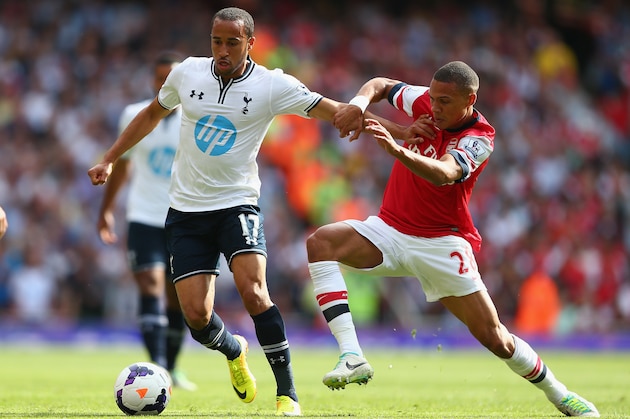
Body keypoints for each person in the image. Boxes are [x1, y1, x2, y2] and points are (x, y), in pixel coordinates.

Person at [88, 7, 344, 417]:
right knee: (196, 316)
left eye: (231, 42)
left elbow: (329, 108)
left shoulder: (270, 85)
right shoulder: (188, 73)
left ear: (250, 43)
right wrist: (111, 158)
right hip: (187, 211)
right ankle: (234, 348)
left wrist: (386, 126)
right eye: (216, 41)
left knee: (254, 291)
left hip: (237, 203)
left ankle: (288, 394)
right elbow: (154, 112)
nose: (222, 50)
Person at [306, 61, 600, 417]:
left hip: (441, 244)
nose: (435, 107)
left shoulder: (480, 138)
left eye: (445, 101)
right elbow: (381, 84)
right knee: (321, 242)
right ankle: (352, 356)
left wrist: (399, 150)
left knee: (495, 337)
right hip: (390, 229)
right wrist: (359, 103)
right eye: (433, 98)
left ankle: (560, 395)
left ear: (470, 100)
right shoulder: (428, 103)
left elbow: (446, 174)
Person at [95, 51, 196, 391]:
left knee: (178, 297)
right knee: (150, 285)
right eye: (160, 79)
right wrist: (106, 209)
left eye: (170, 78)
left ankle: (173, 365)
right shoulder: (133, 114)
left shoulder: (196, 116)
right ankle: (159, 368)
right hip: (143, 215)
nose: (165, 84)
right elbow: (122, 165)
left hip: (183, 217)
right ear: (153, 80)